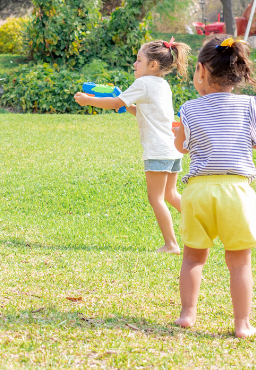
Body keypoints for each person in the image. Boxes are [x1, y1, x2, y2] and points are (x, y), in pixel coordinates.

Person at [172, 35, 256, 338]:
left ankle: (187, 315)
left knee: (192, 256)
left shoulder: (190, 109)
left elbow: (181, 148)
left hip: (198, 191)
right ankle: (242, 324)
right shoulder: (251, 106)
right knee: (240, 261)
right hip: (236, 191)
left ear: (201, 71)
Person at [74, 39, 191, 254]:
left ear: (153, 65)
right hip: (172, 148)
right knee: (171, 194)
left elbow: (116, 102)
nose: (134, 64)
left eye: (139, 60)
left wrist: (88, 100)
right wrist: (129, 107)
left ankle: (172, 244)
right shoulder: (163, 85)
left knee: (156, 199)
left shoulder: (143, 84)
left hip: (157, 150)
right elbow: (149, 115)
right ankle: (203, 224)